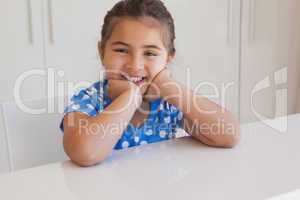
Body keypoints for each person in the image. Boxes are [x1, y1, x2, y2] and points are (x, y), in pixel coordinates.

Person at [60, 0, 240, 167]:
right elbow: (84, 153)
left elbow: (229, 135)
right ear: (102, 52)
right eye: (122, 50)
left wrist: (167, 85)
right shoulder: (88, 100)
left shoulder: (168, 101)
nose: (135, 65)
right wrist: (131, 96)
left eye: (150, 53)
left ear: (168, 57)